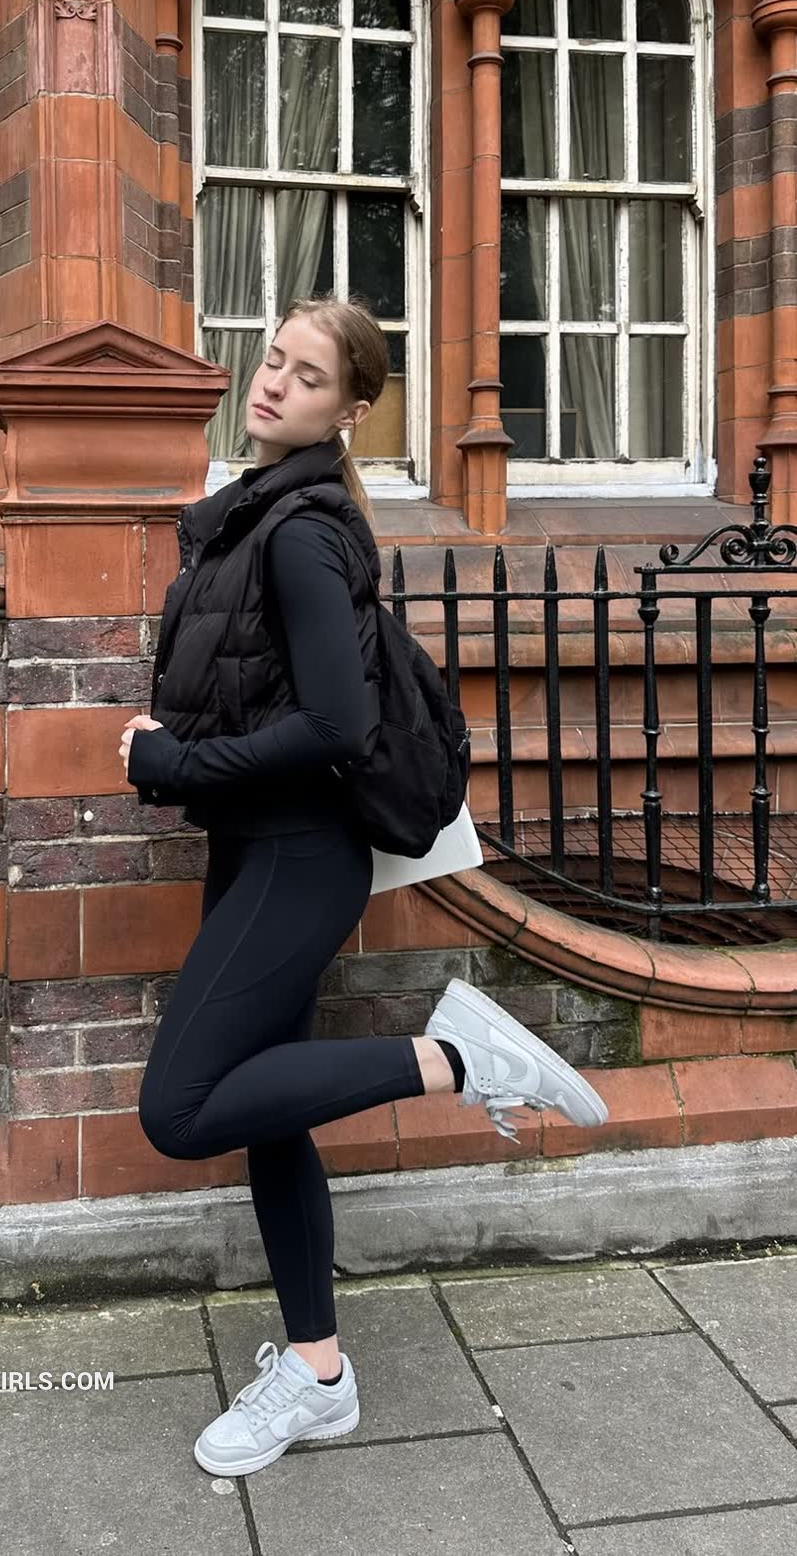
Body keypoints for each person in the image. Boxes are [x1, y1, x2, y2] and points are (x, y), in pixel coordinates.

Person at [118, 296, 607, 1478]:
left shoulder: (296, 529)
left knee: (179, 1109)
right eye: (270, 359)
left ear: (350, 408)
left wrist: (173, 764)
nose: (271, 382)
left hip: (297, 855)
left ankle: (456, 1059)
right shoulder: (259, 510)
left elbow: (335, 724)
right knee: (268, 1111)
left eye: (305, 374)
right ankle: (318, 1374)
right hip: (260, 849)